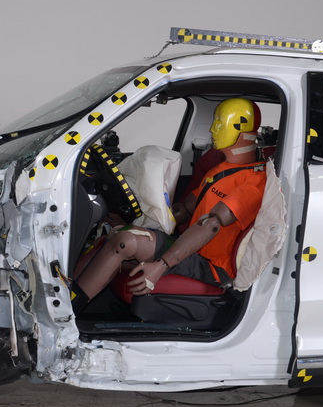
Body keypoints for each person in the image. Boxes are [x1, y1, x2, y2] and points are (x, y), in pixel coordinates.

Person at [71, 98, 267, 312]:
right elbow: (183, 210)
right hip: (191, 250)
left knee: (125, 241)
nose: (212, 129)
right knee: (113, 235)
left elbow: (210, 225)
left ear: (242, 129)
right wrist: (136, 222)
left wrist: (161, 265)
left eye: (219, 122)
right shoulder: (220, 169)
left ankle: (67, 311)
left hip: (212, 266)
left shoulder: (255, 181)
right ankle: (62, 295)